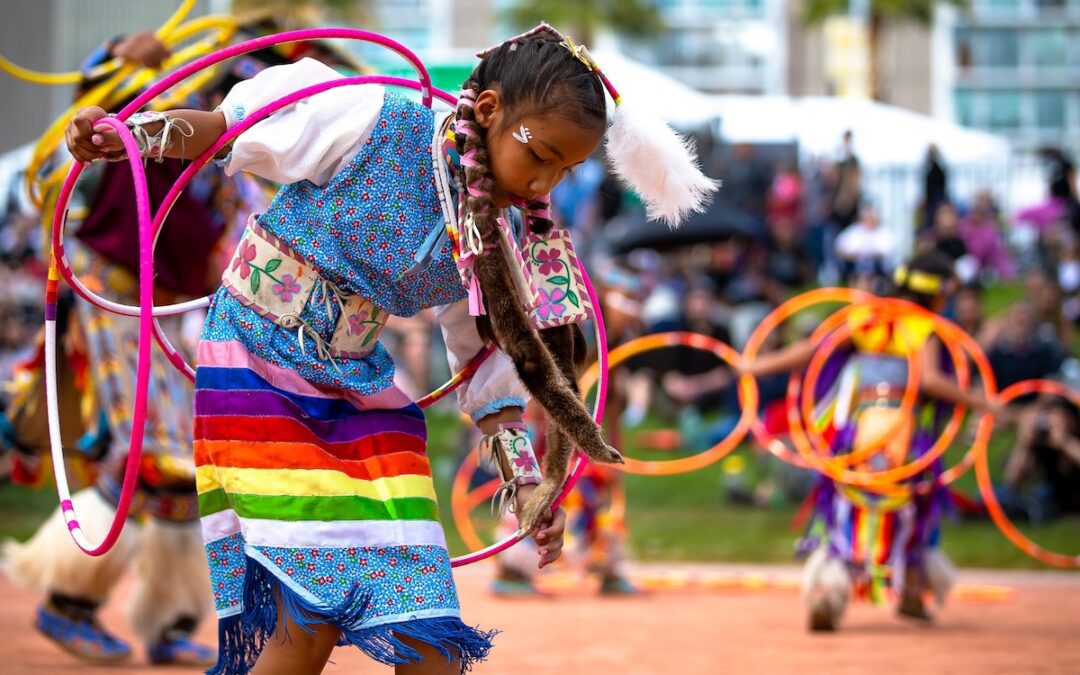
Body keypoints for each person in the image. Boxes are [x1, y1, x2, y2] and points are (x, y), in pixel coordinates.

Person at [66, 22, 715, 673]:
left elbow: (485, 361)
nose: (546, 184)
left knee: (430, 638)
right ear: (488, 110)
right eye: (540, 154)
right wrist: (127, 136)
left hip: (358, 389)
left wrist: (528, 485)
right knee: (309, 618)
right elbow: (226, 129)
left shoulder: (494, 233)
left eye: (565, 169)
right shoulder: (373, 119)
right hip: (258, 362)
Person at [740, 251, 1003, 631]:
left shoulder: (867, 316)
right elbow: (930, 381)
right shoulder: (924, 327)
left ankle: (830, 591)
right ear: (938, 294)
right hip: (903, 432)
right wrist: (982, 401)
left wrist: (756, 367)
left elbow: (815, 350)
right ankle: (912, 591)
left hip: (860, 430)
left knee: (849, 509)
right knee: (912, 510)